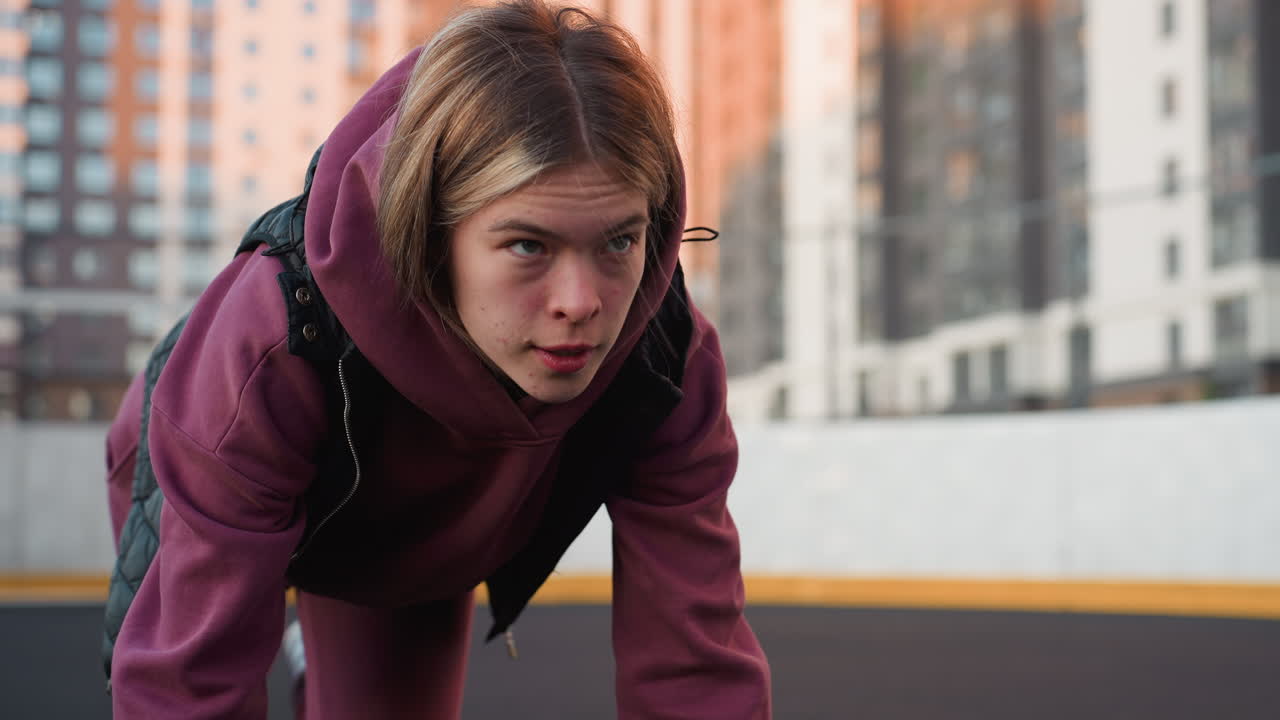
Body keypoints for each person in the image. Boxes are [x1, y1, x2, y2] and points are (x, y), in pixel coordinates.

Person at [102, 1, 771, 717]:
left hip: (428, 543)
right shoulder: (272, 341)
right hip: (205, 468)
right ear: (431, 235)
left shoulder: (666, 355)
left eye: (617, 243)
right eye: (528, 245)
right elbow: (189, 692)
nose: (581, 303)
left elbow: (695, 665)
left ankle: (317, 682)